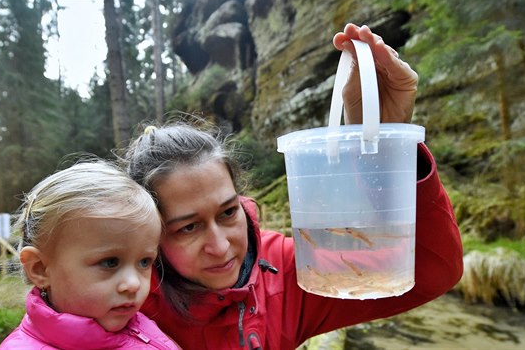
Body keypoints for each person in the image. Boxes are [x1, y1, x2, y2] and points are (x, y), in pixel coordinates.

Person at [123, 23, 463, 349]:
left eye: (228, 212)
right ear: (150, 234)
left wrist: (386, 154)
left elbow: (431, 272)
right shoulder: (121, 302)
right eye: (188, 227)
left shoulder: (286, 270)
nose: (220, 244)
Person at [0, 160, 180, 349]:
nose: (134, 284)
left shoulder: (136, 324)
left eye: (144, 262)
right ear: (40, 268)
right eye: (110, 262)